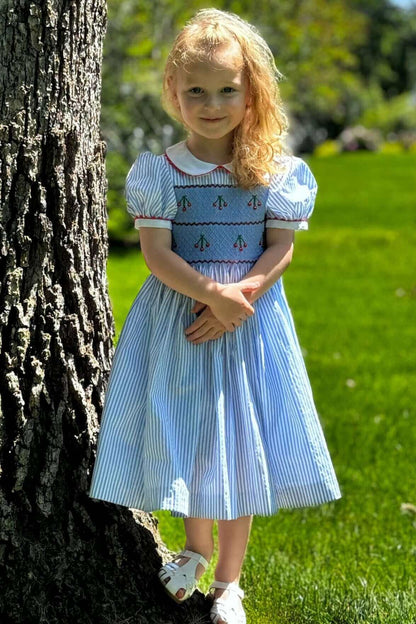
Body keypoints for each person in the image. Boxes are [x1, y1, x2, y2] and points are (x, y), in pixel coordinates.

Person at [88, 8, 342, 624]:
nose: (212, 103)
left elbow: (280, 246)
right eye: (195, 90)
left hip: (250, 323)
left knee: (239, 442)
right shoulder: (161, 172)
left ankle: (229, 582)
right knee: (193, 435)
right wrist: (211, 294)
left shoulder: (274, 172)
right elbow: (155, 255)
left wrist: (242, 296)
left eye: (228, 89)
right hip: (184, 319)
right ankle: (194, 552)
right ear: (173, 93)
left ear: (250, 90)